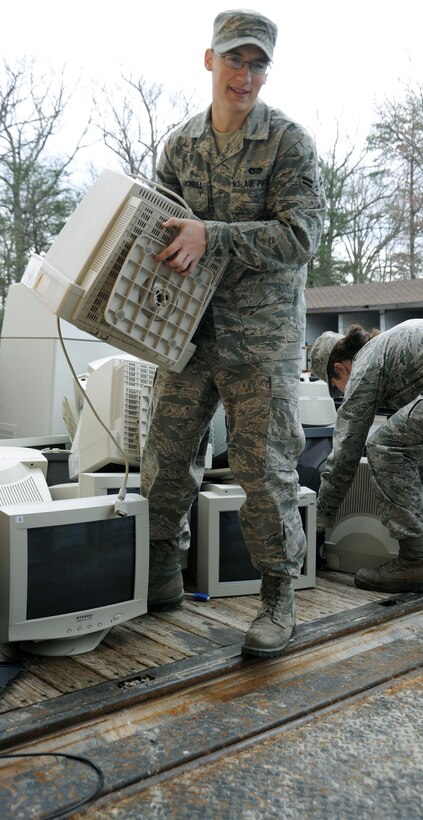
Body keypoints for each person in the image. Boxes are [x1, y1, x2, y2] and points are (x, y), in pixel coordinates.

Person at [141, 8, 326, 658]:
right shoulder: (180, 146)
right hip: (187, 332)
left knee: (264, 473)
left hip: (261, 340)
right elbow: (156, 230)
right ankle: (164, 576)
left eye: (256, 63)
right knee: (163, 463)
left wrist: (211, 235)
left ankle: (279, 600)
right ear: (209, 61)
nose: (244, 76)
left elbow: (301, 237)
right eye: (233, 60)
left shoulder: (288, 143)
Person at [310, 320, 423, 593]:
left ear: (339, 368)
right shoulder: (384, 349)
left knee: (385, 446)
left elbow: (345, 454)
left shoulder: (363, 366)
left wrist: (319, 521)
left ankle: (416, 562)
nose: (340, 391)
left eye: (336, 385)